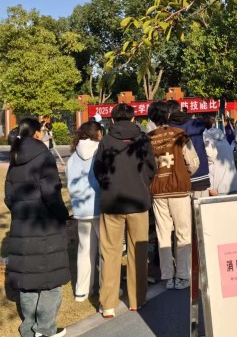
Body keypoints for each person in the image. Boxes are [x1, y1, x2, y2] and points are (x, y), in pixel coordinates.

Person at [5, 118, 70, 337]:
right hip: (45, 226)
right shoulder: (44, 157)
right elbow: (51, 194)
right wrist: (62, 215)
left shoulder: (14, 158)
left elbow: (8, 196)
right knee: (50, 280)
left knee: (28, 279)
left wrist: (20, 212)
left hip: (22, 225)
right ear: (36, 133)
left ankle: (29, 327)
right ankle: (45, 329)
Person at [94, 103, 156, 318]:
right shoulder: (143, 140)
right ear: (133, 119)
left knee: (110, 253)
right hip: (138, 201)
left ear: (112, 120)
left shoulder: (106, 141)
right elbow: (151, 168)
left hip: (112, 202)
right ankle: (137, 300)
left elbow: (98, 170)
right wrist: (141, 183)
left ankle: (108, 304)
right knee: (138, 252)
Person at [147, 101, 199, 291]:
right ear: (168, 116)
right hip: (179, 190)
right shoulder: (180, 135)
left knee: (163, 234)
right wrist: (183, 173)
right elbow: (193, 162)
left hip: (158, 190)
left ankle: (168, 275)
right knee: (183, 233)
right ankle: (183, 275)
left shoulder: (148, 139)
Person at [66, 120, 103, 303]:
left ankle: (81, 290)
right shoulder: (100, 150)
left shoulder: (73, 156)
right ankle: (106, 287)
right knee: (105, 250)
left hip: (80, 208)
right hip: (99, 204)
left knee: (84, 249)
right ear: (97, 133)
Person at [167, 100, 211, 198]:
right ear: (181, 109)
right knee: (201, 206)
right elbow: (211, 151)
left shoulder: (168, 129)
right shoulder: (197, 124)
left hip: (179, 178)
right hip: (201, 175)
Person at [204, 121, 237, 196]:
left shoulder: (211, 146)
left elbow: (210, 167)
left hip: (218, 188)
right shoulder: (226, 143)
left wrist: (210, 187)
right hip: (233, 184)